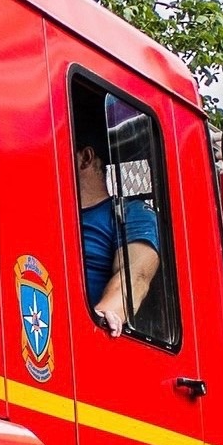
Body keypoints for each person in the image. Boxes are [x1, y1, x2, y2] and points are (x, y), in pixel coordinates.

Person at [76, 139, 159, 334]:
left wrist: (104, 315)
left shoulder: (132, 213)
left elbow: (135, 275)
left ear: (86, 158)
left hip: (80, 334)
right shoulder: (43, 216)